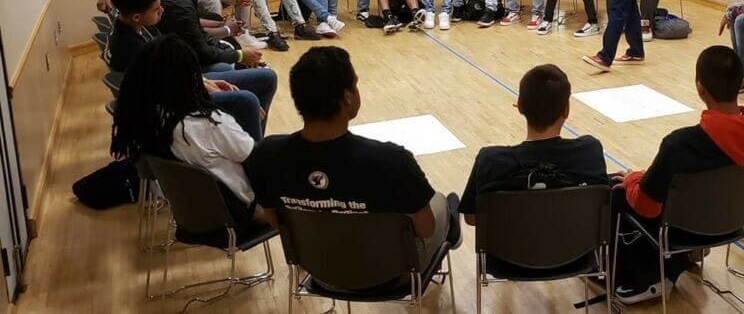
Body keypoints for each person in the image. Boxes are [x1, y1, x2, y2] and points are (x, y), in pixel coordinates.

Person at [243, 47, 461, 275]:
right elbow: (425, 229)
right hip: (389, 275)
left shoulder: (266, 154)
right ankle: (452, 226)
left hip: (317, 268)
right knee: (440, 202)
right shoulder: (391, 160)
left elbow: (275, 220)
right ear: (347, 97)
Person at [609, 46, 744, 303]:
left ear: (700, 88)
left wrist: (633, 179)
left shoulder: (680, 145)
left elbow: (646, 207)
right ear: (741, 83)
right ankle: (690, 252)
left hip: (685, 227)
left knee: (616, 191)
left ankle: (647, 276)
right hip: (738, 221)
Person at [111, 35, 263, 239]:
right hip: (236, 217)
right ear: (191, 77)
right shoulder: (209, 124)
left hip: (189, 215)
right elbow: (255, 159)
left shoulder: (145, 120)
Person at [108, 0, 278, 141]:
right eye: (156, 9)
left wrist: (204, 81)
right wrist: (207, 87)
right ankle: (252, 152)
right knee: (248, 101)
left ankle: (250, 139)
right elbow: (167, 86)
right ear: (136, 16)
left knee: (267, 77)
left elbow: (172, 68)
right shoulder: (130, 47)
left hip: (179, 83)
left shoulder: (139, 26)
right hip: (169, 102)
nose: (162, 11)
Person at [459, 64, 608, 225]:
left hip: (512, 242)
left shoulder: (490, 161)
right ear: (567, 109)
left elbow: (471, 217)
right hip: (577, 241)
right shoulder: (589, 152)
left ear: (520, 106)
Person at [159, 0, 262, 73]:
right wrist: (239, 55)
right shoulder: (181, 7)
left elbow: (200, 35)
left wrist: (229, 48)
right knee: (267, 76)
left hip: (183, 55)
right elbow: (202, 52)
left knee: (227, 45)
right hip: (178, 68)